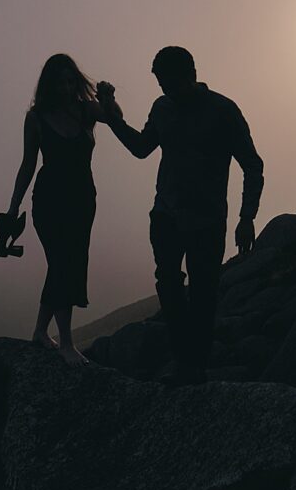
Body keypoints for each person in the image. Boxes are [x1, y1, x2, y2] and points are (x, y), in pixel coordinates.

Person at [99, 46, 263, 383]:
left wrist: (247, 218)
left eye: (169, 83)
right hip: (165, 215)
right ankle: (182, 360)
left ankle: (194, 367)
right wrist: (111, 117)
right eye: (160, 84)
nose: (165, 90)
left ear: (190, 75)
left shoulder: (223, 110)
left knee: (204, 292)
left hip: (207, 219)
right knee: (169, 285)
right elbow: (142, 148)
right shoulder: (162, 108)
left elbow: (252, 165)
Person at [3, 54, 103, 365]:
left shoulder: (86, 111)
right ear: (49, 84)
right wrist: (13, 206)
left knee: (67, 263)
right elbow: (28, 164)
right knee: (62, 263)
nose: (65, 87)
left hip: (83, 200)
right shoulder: (36, 118)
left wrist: (109, 98)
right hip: (49, 201)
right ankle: (66, 344)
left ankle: (39, 332)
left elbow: (114, 116)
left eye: (70, 81)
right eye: (59, 82)